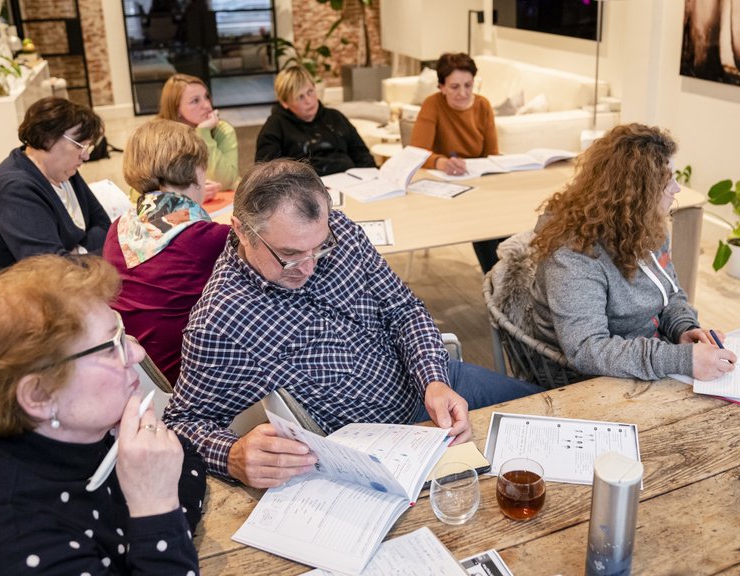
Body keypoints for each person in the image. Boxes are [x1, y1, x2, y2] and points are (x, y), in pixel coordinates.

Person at [163, 159, 542, 488]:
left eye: (319, 248)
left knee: (548, 413)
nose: (309, 267)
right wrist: (232, 455)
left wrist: (433, 379)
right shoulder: (222, 320)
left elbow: (403, 309)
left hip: (433, 386)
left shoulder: (339, 230)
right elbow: (181, 422)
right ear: (242, 230)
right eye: (290, 255)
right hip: (375, 450)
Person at [0, 255, 205, 574]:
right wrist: (156, 509)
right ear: (39, 395)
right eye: (111, 346)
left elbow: (183, 459)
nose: (137, 352)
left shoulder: (57, 432)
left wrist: (157, 522)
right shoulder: (13, 543)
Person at [530, 123, 737, 382]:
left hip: (641, 358)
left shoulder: (646, 226)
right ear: (637, 194)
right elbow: (587, 350)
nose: (676, 188)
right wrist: (680, 359)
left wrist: (683, 328)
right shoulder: (573, 256)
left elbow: (670, 293)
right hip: (586, 379)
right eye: (667, 181)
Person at [0, 97, 110, 320]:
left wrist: (76, 254)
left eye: (88, 146)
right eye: (80, 145)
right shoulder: (14, 191)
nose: (86, 155)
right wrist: (99, 253)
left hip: (26, 299)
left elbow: (102, 224)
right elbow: (53, 272)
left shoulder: (64, 172)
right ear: (48, 138)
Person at [103, 119, 231, 384]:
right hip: (188, 379)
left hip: (132, 372)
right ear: (195, 171)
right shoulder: (206, 238)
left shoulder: (118, 228)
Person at [409, 52, 503, 274]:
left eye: (468, 85)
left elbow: (492, 154)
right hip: (442, 185)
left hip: (478, 183)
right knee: (484, 224)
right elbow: (416, 152)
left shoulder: (483, 106)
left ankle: (506, 278)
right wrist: (440, 161)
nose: (463, 93)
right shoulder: (432, 105)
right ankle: (496, 280)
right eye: (454, 87)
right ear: (441, 87)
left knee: (504, 224)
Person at [254, 65, 376, 176]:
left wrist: (371, 179)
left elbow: (363, 156)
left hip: (349, 182)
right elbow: (266, 176)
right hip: (305, 187)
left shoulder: (335, 117)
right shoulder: (275, 128)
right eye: (300, 97)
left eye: (310, 92)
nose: (309, 101)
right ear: (285, 103)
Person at [158, 73, 239, 196]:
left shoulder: (222, 130)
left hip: (223, 200)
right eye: (195, 101)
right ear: (177, 109)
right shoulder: (157, 136)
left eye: (207, 97)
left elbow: (225, 181)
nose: (207, 105)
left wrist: (203, 133)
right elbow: (139, 189)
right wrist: (185, 194)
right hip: (175, 204)